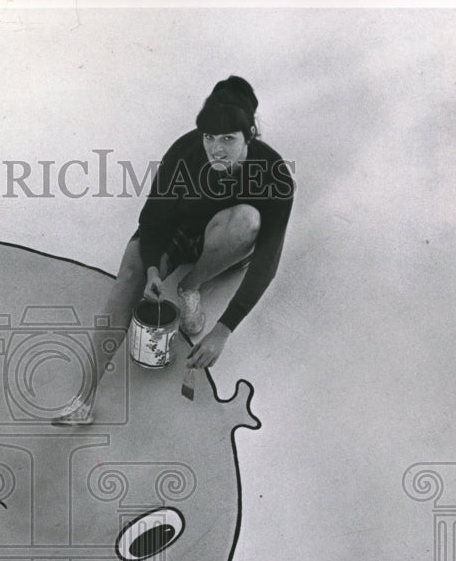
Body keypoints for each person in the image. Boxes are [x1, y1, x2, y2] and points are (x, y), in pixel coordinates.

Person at [54, 75, 294, 425]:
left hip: (227, 240)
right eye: (210, 137)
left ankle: (191, 285)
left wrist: (222, 330)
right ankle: (83, 399)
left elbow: (267, 262)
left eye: (228, 139)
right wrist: (152, 268)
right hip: (181, 231)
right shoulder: (185, 151)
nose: (216, 149)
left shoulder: (275, 176)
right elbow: (152, 219)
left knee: (247, 220)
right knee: (128, 278)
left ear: (250, 134)